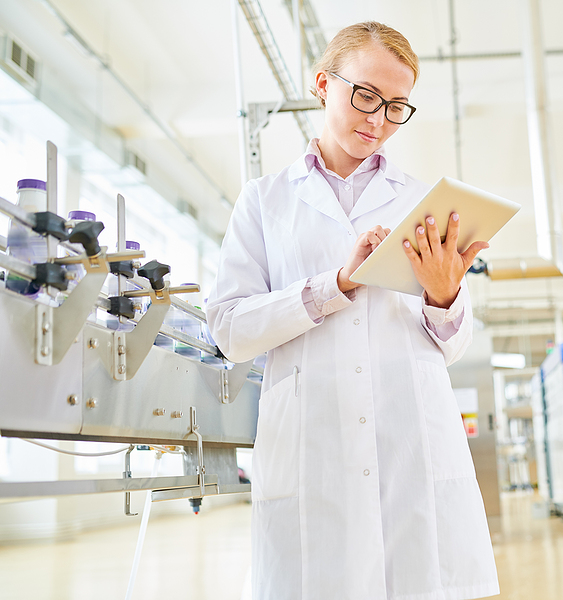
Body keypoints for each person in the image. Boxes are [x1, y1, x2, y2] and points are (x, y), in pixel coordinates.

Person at [207, 21, 499, 600]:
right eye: (365, 96)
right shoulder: (265, 201)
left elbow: (450, 346)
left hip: (409, 444)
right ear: (322, 83)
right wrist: (334, 285)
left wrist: (444, 296)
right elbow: (230, 331)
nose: (378, 120)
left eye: (396, 107)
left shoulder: (425, 202)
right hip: (313, 449)